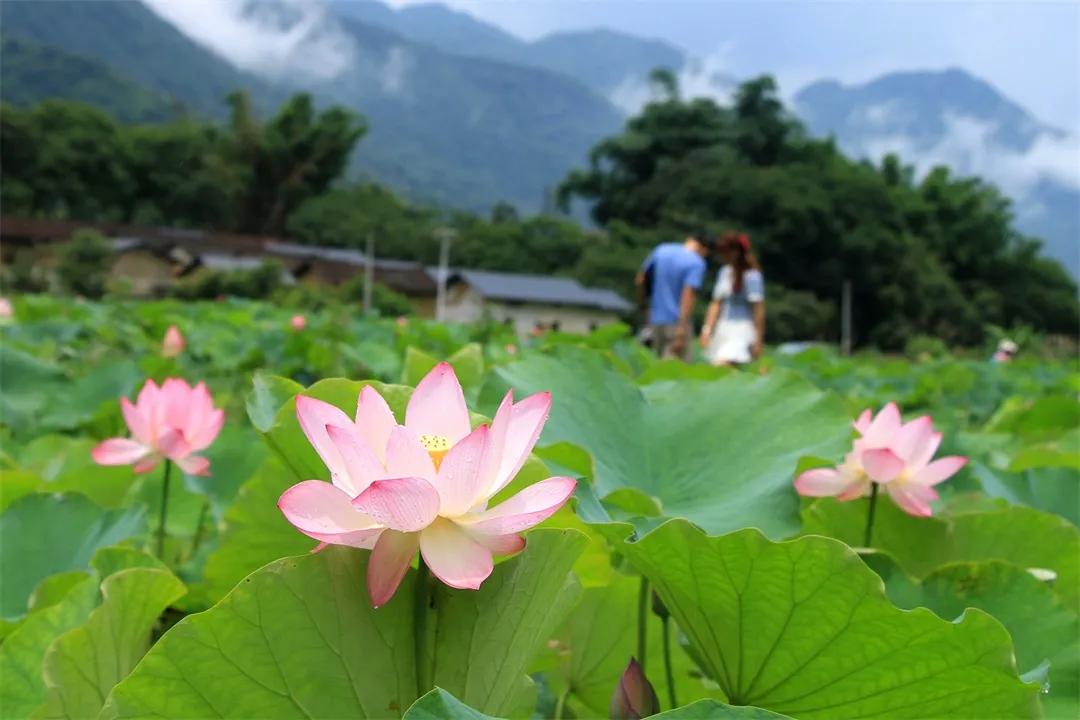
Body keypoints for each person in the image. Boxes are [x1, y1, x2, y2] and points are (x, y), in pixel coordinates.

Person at [636, 230, 710, 359]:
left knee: (660, 368)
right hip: (676, 322)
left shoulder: (660, 251)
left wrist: (645, 308)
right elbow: (688, 294)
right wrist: (681, 329)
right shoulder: (696, 262)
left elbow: (640, 280)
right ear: (704, 249)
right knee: (676, 373)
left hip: (656, 321)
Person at [700, 232, 765, 365]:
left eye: (726, 252)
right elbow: (716, 304)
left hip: (743, 329)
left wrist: (759, 341)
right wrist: (707, 330)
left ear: (736, 252)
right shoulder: (724, 272)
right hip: (724, 327)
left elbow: (758, 310)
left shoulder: (752, 276)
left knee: (722, 364)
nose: (723, 256)